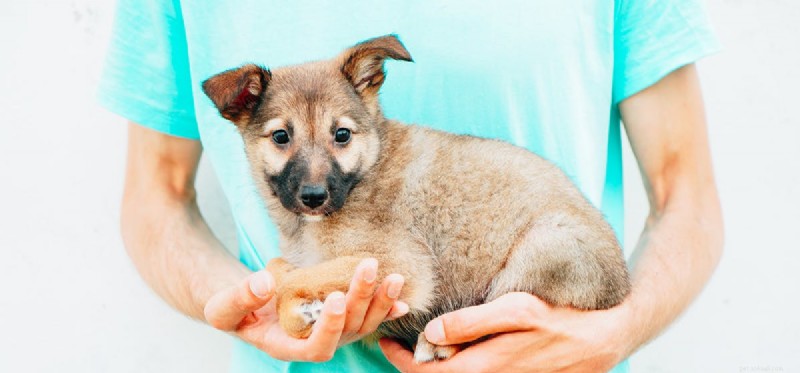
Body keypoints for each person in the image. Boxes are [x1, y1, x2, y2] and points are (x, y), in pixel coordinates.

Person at [100, 0, 724, 372]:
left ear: (371, 90)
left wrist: (615, 334)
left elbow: (684, 191)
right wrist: (247, 301)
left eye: (341, 138)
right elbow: (156, 192)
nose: (314, 178)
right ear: (242, 111)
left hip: (552, 282)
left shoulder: (375, 189)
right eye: (284, 139)